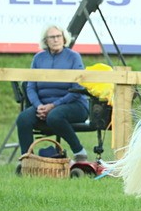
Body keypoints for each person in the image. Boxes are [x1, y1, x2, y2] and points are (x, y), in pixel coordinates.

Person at [16, 25, 90, 162]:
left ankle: (79, 151)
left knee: (54, 116)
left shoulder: (74, 57)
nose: (56, 40)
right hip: (43, 106)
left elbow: (77, 89)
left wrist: (54, 105)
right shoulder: (38, 58)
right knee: (23, 119)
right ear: (46, 40)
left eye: (58, 36)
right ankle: (27, 160)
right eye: (52, 37)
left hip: (73, 104)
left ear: (64, 38)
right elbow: (31, 87)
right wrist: (38, 106)